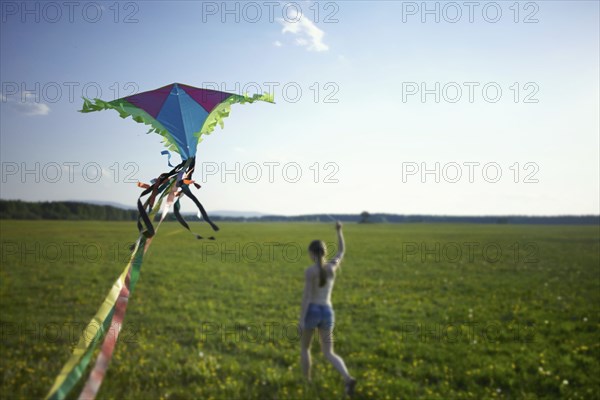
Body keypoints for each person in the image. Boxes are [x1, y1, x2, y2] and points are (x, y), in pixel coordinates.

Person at [299, 221, 356, 396]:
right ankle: (347, 377)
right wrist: (339, 231)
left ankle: (306, 381)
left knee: (305, 348)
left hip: (313, 311)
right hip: (328, 312)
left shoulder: (310, 272)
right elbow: (341, 251)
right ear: (324, 252)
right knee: (329, 352)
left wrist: (301, 320)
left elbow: (307, 297)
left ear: (311, 254)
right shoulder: (332, 267)